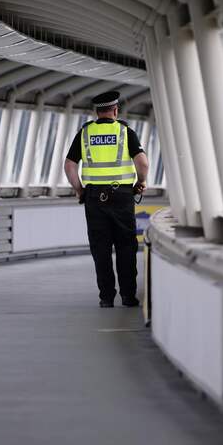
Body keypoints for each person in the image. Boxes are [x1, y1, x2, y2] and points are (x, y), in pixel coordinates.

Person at [64, 91, 149, 308]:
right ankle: (128, 297)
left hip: (94, 197)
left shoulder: (84, 134)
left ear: (96, 111)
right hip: (122, 196)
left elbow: (69, 165)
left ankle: (106, 298)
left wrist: (79, 189)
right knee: (126, 247)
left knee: (100, 249)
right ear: (115, 110)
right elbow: (143, 163)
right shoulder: (125, 132)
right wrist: (141, 182)